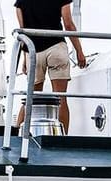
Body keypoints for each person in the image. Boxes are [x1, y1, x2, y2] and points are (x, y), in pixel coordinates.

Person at [14, 0, 88, 131]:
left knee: (31, 97)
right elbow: (68, 24)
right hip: (56, 47)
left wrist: (25, 58)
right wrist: (79, 51)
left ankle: (16, 137)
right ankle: (62, 139)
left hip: (33, 51)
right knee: (61, 98)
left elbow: (23, 31)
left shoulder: (21, 1)